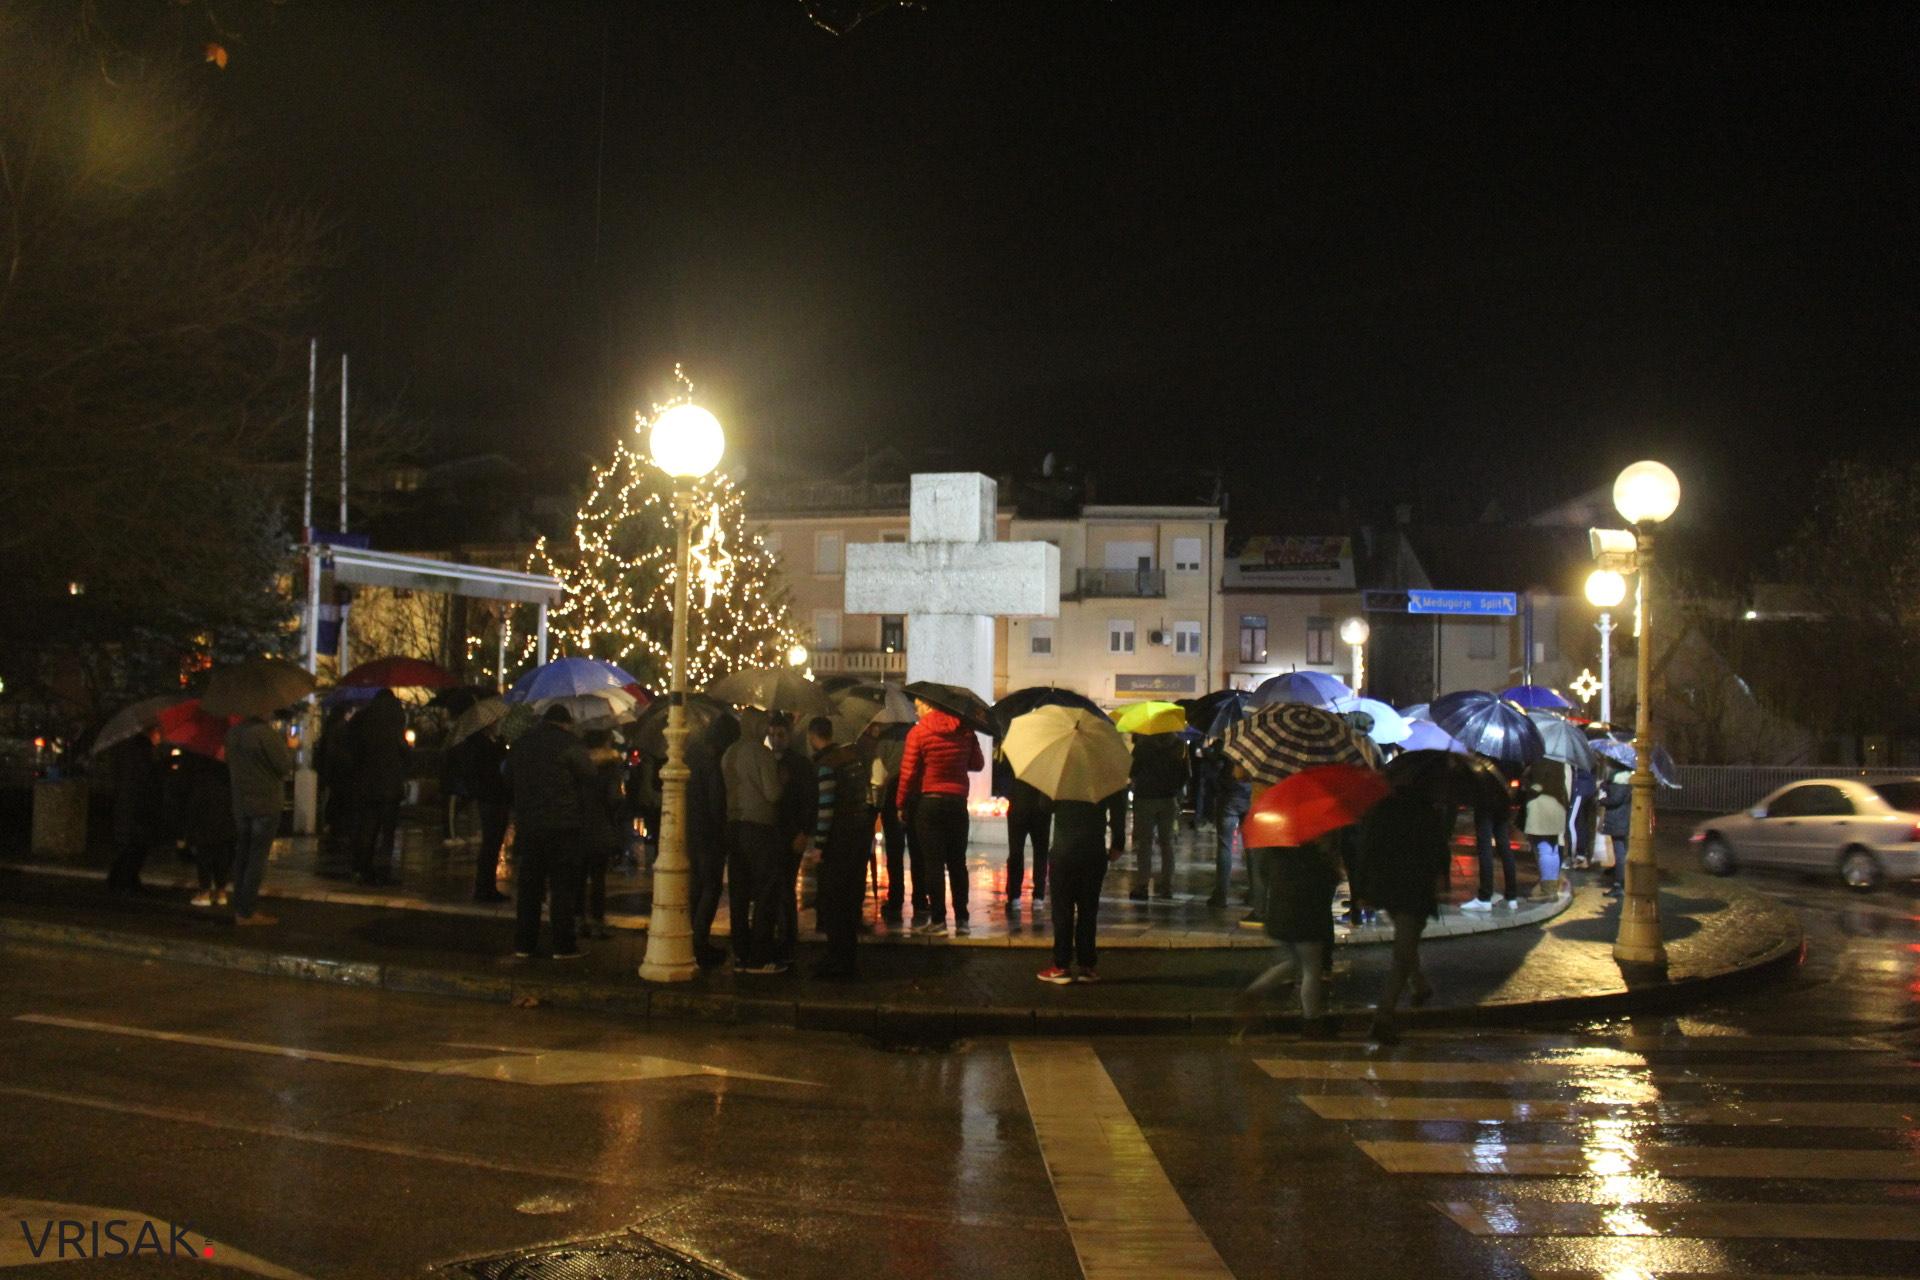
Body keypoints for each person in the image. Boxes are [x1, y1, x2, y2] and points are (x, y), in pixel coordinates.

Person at [1351, 789, 1451, 1043]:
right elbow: (1440, 849)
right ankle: (1384, 1017)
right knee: (1403, 950)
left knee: (1406, 943)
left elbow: (1365, 848)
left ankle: (1419, 985)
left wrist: (1362, 888)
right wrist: (1441, 880)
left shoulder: (1380, 809)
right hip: (1415, 889)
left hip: (1389, 887)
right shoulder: (1428, 811)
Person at [505, 704, 596, 959]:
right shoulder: (569, 743)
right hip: (562, 825)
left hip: (530, 824)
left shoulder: (523, 743)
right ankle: (563, 945)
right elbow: (589, 773)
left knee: (529, 887)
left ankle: (524, 943)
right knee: (562, 887)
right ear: (565, 723)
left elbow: (507, 774)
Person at [895, 698, 983, 937]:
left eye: (918, 705)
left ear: (928, 706)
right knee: (957, 862)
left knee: (932, 863)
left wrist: (901, 803)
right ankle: (963, 920)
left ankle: (939, 920)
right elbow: (977, 764)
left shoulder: (919, 732)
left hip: (929, 803)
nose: (916, 710)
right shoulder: (964, 729)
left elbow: (908, 772)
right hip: (957, 802)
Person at [1238, 831, 1341, 1036]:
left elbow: (1264, 874)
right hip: (1306, 918)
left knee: (1293, 963)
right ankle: (1312, 1021)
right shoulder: (1314, 855)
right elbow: (1330, 879)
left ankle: (1253, 993)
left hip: (1279, 915)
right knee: (1312, 970)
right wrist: (1332, 862)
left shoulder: (1276, 849)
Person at [1036, 787, 1127, 984]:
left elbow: (1045, 805)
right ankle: (1087, 965)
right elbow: (1118, 809)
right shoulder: (1103, 773)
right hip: (1093, 850)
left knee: (1062, 910)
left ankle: (1061, 965)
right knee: (1088, 909)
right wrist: (1118, 843)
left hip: (1064, 850)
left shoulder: (1062, 773)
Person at [807, 716, 871, 979]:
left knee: (833, 903)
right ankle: (847, 958)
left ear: (812, 736)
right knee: (849, 902)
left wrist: (819, 845)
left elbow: (826, 809)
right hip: (857, 838)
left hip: (837, 843)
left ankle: (837, 960)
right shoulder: (851, 758)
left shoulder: (826, 765)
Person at [223, 710, 294, 926]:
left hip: (241, 802)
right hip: (265, 802)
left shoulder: (233, 734)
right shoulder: (265, 734)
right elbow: (284, 766)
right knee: (256, 857)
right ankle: (246, 911)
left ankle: (239, 906)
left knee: (243, 855)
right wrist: (289, 746)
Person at [687, 713, 739, 967]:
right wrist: (724, 833)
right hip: (709, 836)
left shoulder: (697, 759)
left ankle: (694, 940)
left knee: (698, 887)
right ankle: (699, 943)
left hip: (694, 833)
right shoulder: (716, 765)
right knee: (710, 887)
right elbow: (717, 803)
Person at [345, 689, 408, 886]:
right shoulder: (396, 716)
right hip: (390, 783)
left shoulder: (362, 718)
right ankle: (384, 870)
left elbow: (352, 749)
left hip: (366, 783)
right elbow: (403, 750)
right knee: (387, 831)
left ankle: (362, 868)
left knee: (367, 827)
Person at [1127, 729, 1188, 901]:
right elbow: (1185, 774)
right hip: (1168, 799)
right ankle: (1167, 886)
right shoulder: (1179, 745)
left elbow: (1132, 771)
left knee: (1145, 843)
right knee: (1167, 843)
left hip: (1145, 798)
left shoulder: (1142, 745)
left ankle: (1142, 885)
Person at [578, 729, 627, 939]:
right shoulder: (610, 767)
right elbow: (614, 798)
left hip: (577, 825)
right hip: (600, 825)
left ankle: (578, 920)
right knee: (598, 878)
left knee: (578, 877)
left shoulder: (576, 763)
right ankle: (597, 921)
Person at [457, 725, 512, 903]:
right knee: (491, 843)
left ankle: (487, 886)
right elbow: (486, 769)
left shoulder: (486, 742)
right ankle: (484, 888)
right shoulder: (479, 744)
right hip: (491, 797)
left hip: (493, 796)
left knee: (492, 844)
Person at [105, 729, 163, 895]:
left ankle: (123, 880)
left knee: (133, 846)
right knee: (134, 846)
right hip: (137, 807)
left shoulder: (134, 751)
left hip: (132, 807)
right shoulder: (141, 753)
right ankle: (123, 881)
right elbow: (145, 780)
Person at [869, 724, 915, 924]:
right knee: (917, 850)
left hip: (892, 797)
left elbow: (878, 777)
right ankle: (921, 900)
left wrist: (875, 805)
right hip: (916, 795)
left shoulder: (884, 740)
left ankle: (896, 899)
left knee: (895, 853)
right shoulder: (916, 733)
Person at [180, 750, 234, 907]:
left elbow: (186, 782)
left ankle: (205, 891)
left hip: (203, 806)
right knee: (222, 850)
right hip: (225, 806)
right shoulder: (228, 754)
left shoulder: (197, 757)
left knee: (204, 851)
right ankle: (221, 891)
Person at [1462, 772, 1520, 911]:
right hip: (1504, 801)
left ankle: (1485, 896)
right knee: (1504, 845)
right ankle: (1512, 897)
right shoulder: (1510, 755)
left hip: (1485, 801)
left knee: (1485, 847)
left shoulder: (1484, 754)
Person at [314, 703, 355, 879]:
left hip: (332, 774)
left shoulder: (329, 729)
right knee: (339, 802)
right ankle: (335, 829)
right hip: (340, 773)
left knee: (334, 801)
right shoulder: (341, 730)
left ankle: (331, 826)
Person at [1520, 755, 1570, 898]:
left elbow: (1537, 787)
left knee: (1543, 848)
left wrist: (1526, 780)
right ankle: (1552, 886)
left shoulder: (1542, 759)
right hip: (1557, 807)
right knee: (1552, 848)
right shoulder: (1560, 759)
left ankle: (1547, 890)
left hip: (1542, 808)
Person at [1004, 773, 1053, 907]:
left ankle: (1014, 895)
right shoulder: (1047, 763)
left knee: (1016, 852)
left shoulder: (1021, 761)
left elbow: (1006, 782)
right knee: (1041, 853)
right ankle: (1038, 895)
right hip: (1041, 810)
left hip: (1019, 807)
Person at [1598, 764, 1631, 897]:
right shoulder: (1625, 782)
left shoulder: (1619, 783)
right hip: (1622, 820)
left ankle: (1619, 884)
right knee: (1621, 849)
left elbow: (1615, 800)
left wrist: (1602, 800)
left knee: (1620, 852)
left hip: (1617, 820)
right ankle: (1621, 877)